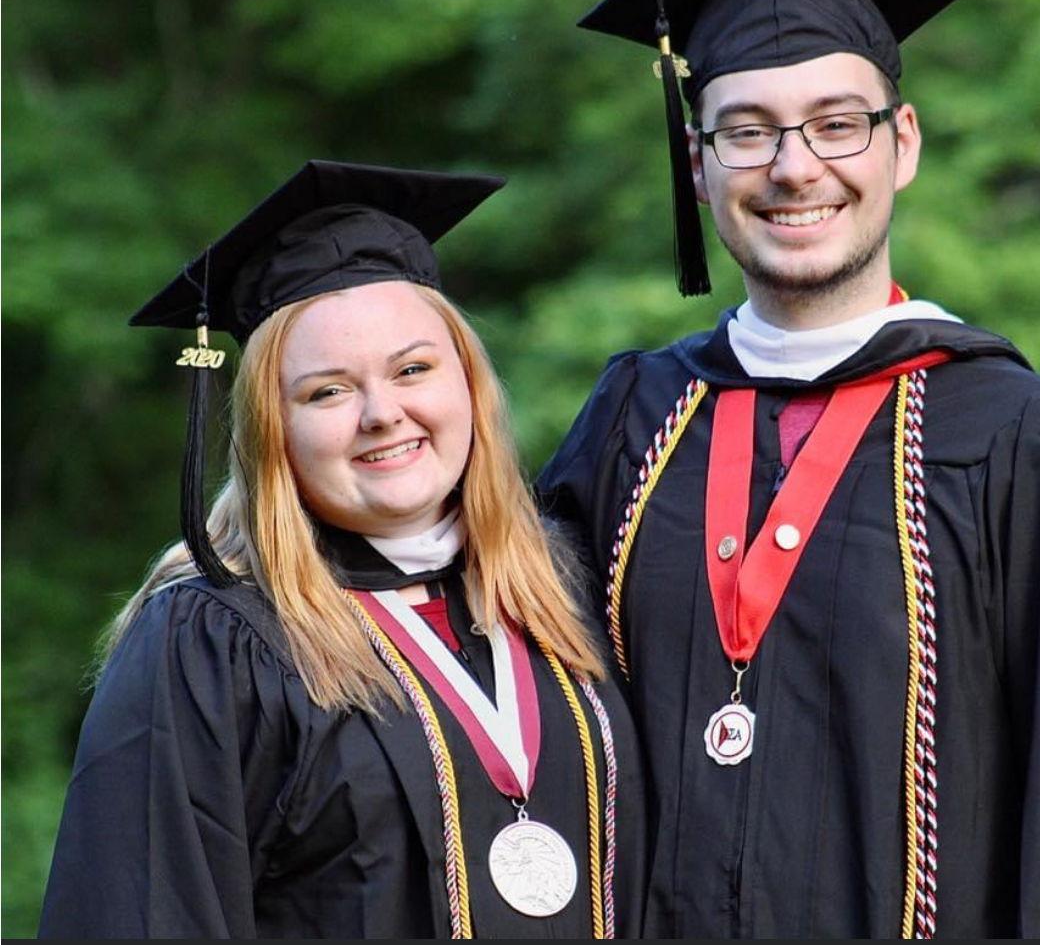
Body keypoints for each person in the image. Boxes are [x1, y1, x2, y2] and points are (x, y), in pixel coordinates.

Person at [536, 0, 1040, 939]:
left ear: (901, 143)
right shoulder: (630, 421)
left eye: (836, 124)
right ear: (697, 165)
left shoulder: (1023, 439)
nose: (794, 168)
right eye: (746, 132)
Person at [38, 159, 647, 939]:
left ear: (469, 383)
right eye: (327, 391)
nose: (381, 413)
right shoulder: (214, 643)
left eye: (412, 369)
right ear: (272, 431)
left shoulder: (567, 587)